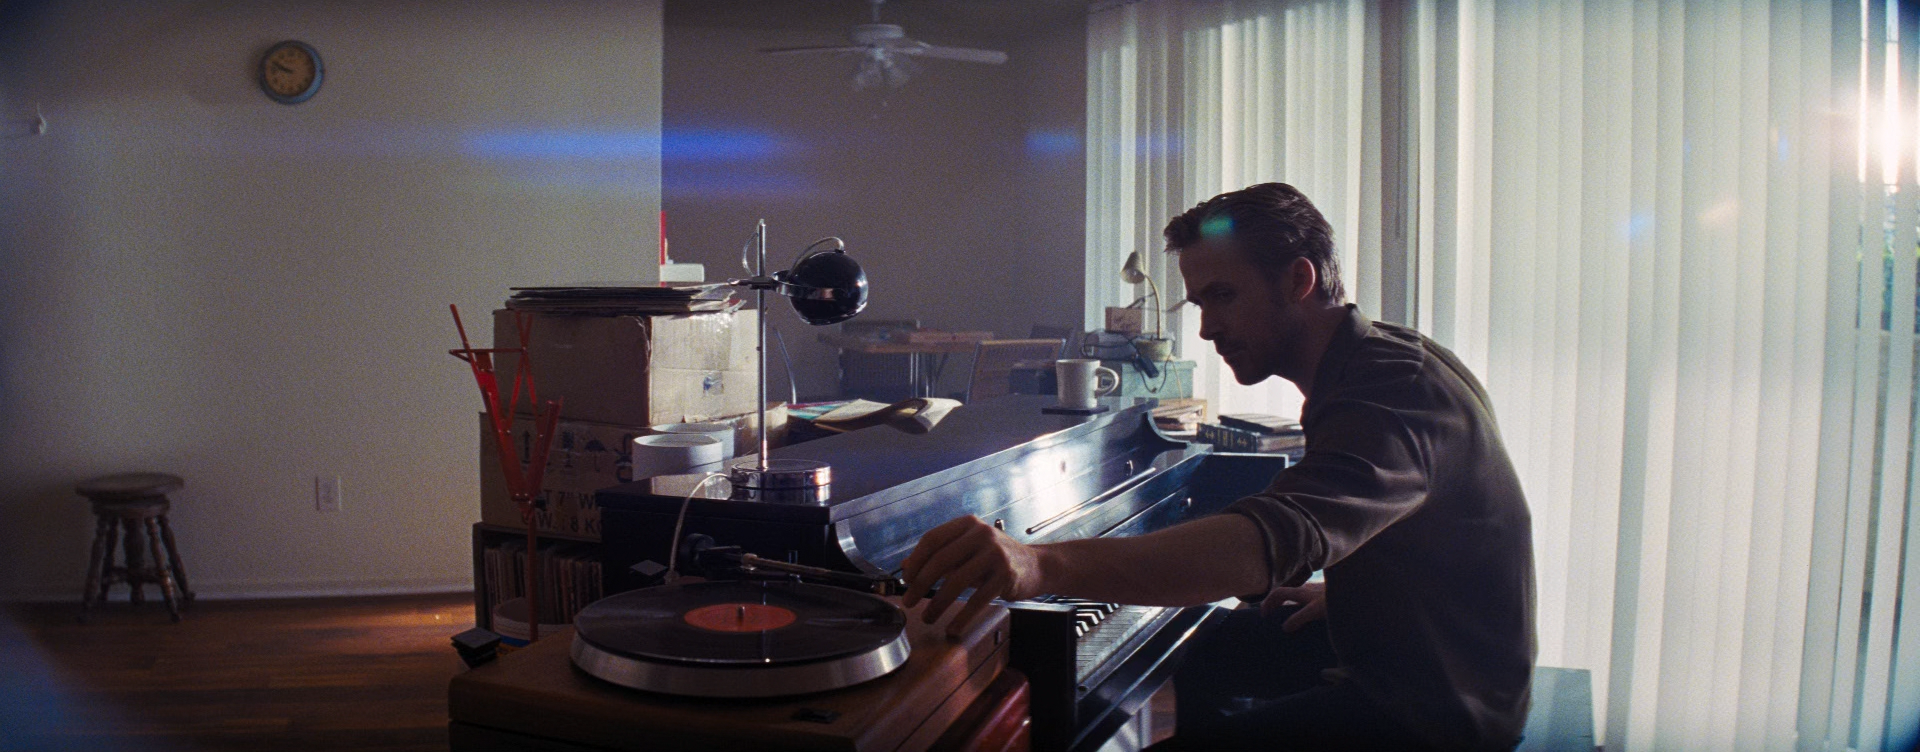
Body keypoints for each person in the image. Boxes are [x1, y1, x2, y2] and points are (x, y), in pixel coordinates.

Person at [900, 183, 1536, 751]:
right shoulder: (1372, 357)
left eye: (1224, 297)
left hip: (1439, 709)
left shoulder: (1391, 387)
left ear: (1299, 280)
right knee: (1206, 653)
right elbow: (1419, 528)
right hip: (1413, 646)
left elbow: (1267, 544)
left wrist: (1040, 564)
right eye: (1199, 303)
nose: (1206, 330)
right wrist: (1355, 593)